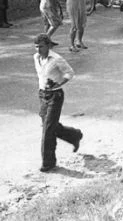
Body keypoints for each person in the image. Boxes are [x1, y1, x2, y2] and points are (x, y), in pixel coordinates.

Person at [33, 33, 83, 173]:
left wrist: (59, 83)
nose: (38, 50)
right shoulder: (36, 57)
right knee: (50, 126)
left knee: (48, 130)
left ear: (48, 46)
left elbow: (70, 73)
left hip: (55, 96)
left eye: (41, 46)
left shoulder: (56, 59)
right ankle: (74, 135)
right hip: (43, 95)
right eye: (36, 47)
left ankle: (48, 163)